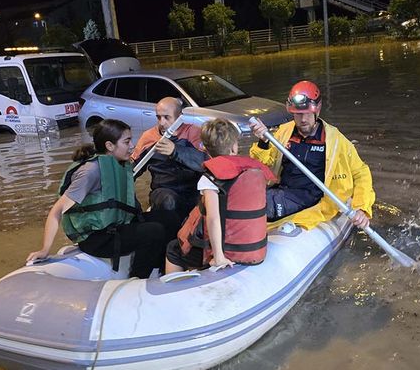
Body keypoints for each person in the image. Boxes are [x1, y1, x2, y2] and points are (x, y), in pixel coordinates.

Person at [26, 119, 177, 278]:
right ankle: (139, 279)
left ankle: (161, 270)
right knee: (154, 231)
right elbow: (56, 211)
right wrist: (44, 249)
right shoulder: (90, 171)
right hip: (96, 238)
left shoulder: (118, 163)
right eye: (127, 141)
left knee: (169, 218)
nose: (132, 146)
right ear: (109, 146)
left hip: (115, 225)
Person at [249, 80, 375, 230]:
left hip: (310, 197)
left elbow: (360, 173)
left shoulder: (335, 140)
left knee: (261, 204)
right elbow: (262, 167)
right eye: (298, 114)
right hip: (283, 190)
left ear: (317, 110)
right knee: (242, 197)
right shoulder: (283, 133)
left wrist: (362, 208)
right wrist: (263, 142)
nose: (302, 120)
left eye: (307, 114)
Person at [165, 118, 276, 273]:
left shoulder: (210, 177)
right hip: (252, 248)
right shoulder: (253, 171)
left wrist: (218, 257)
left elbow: (213, 218)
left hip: (224, 249)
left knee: (173, 249)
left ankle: (174, 290)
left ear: (205, 149)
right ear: (234, 147)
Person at [131, 97, 207, 220]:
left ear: (179, 116)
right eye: (158, 117)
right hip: (164, 190)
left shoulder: (194, 133)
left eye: (167, 117)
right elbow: (133, 169)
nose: (161, 122)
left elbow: (206, 162)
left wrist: (176, 151)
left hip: (193, 190)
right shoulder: (149, 137)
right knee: (168, 200)